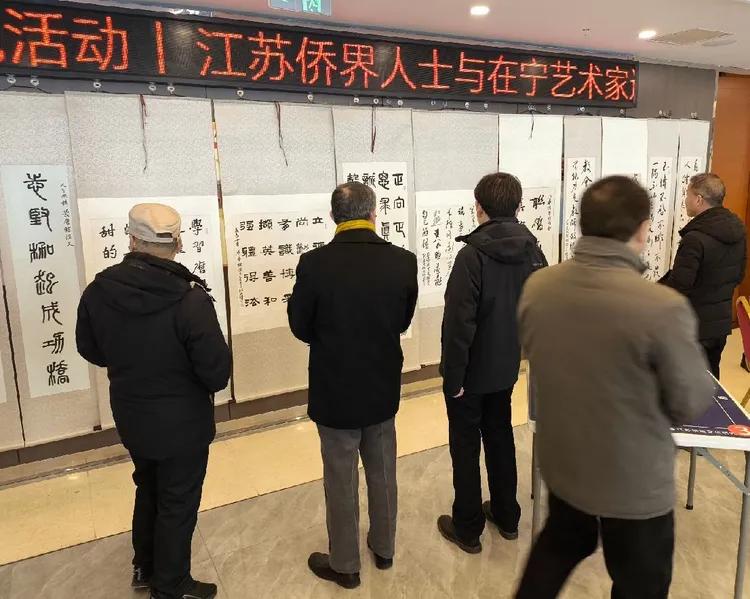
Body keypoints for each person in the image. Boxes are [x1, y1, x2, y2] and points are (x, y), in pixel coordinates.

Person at [516, 176, 713, 599]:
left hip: (566, 465)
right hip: (634, 482)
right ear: (643, 230)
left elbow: (537, 353)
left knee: (558, 546)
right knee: (641, 584)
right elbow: (690, 401)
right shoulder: (662, 308)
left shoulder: (539, 287)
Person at [76, 204, 231, 599]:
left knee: (147, 485)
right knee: (178, 500)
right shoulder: (190, 300)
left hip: (131, 414)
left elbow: (90, 349)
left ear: (131, 239)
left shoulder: (98, 291)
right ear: (178, 243)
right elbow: (216, 372)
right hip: (183, 423)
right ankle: (171, 584)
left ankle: (144, 567)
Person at [288, 182, 418, 589]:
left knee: (340, 478)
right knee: (383, 471)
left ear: (333, 216)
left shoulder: (314, 264)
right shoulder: (403, 262)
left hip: (335, 387)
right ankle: (384, 547)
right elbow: (402, 320)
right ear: (374, 213)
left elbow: (300, 326)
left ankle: (345, 565)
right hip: (381, 384)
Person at [436, 172, 546, 554]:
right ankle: (507, 515)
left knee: (465, 445)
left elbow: (458, 324)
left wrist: (453, 377)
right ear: (517, 206)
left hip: (469, 373)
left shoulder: (472, 256)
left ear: (479, 207)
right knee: (499, 435)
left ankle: (467, 527)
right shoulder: (534, 252)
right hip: (506, 367)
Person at [660, 173, 746, 379]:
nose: (685, 200)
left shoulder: (695, 238)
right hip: (720, 324)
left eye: (687, 194)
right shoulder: (738, 230)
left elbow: (679, 287)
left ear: (698, 199)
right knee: (712, 379)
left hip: (695, 326)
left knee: (688, 382)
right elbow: (739, 275)